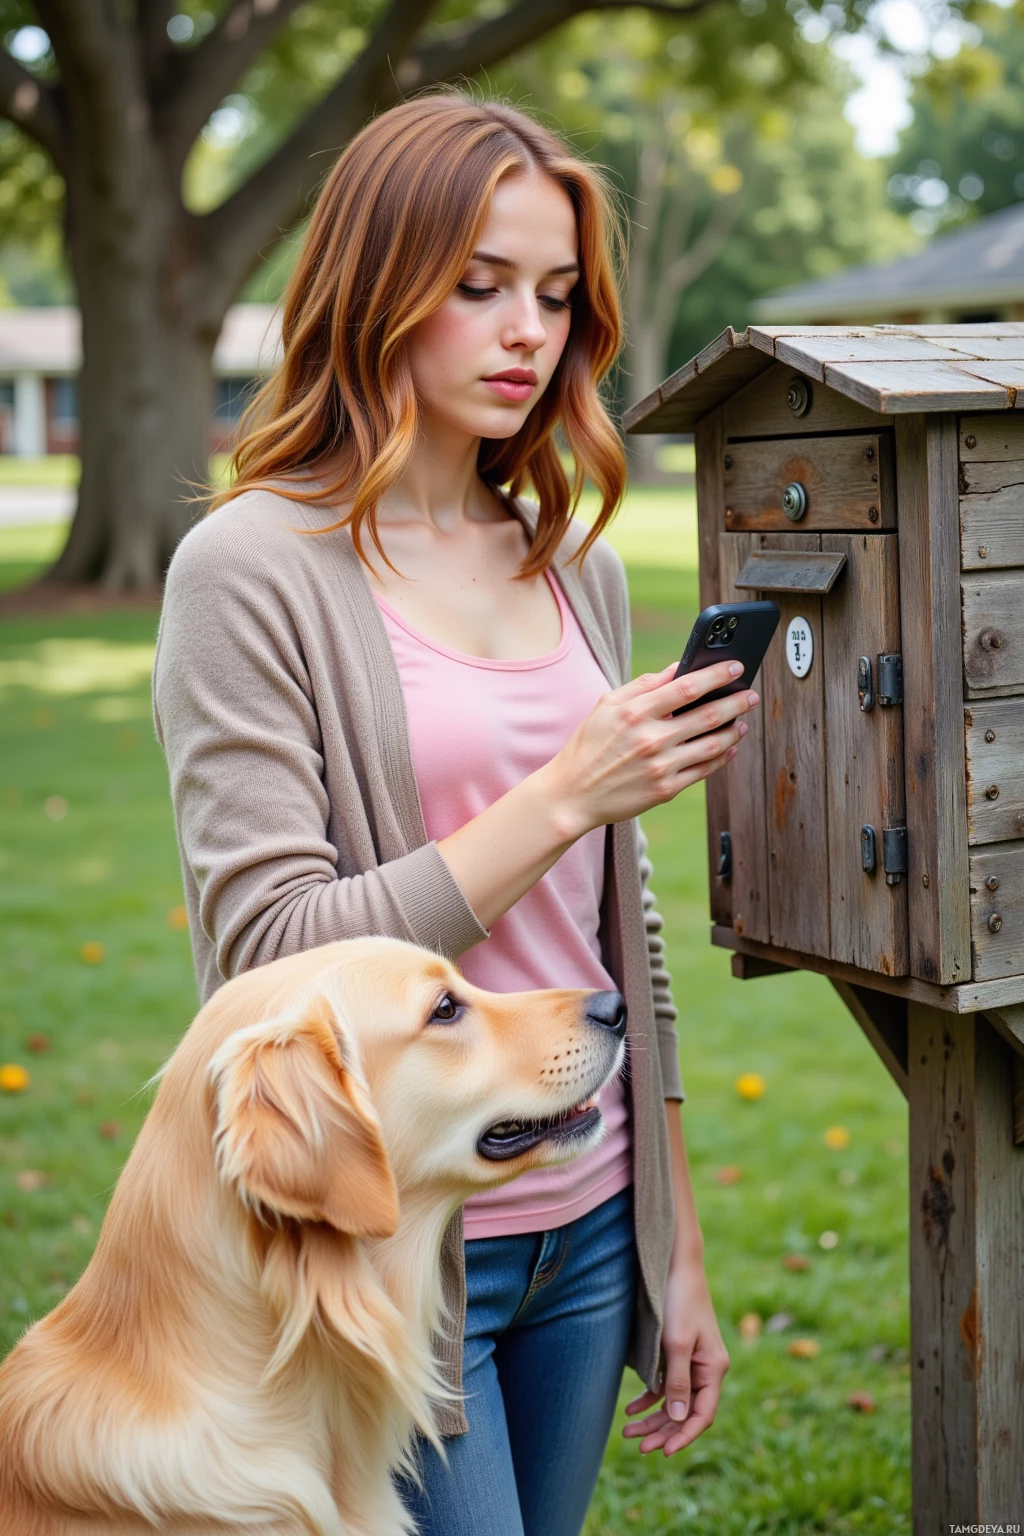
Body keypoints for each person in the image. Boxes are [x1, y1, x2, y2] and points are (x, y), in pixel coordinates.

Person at [152, 91, 759, 1536]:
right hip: (387, 1244)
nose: (526, 330)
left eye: (555, 294)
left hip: (592, 1222)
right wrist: (564, 792)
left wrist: (672, 1243)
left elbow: (624, 928)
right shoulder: (249, 572)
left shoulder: (571, 562)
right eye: (478, 284)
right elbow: (269, 962)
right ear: (374, 284)